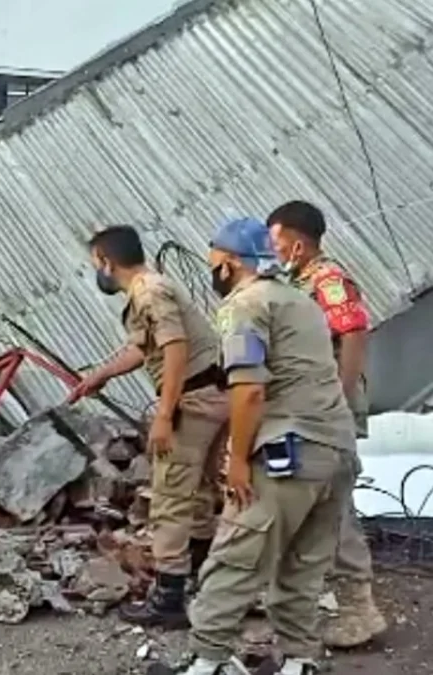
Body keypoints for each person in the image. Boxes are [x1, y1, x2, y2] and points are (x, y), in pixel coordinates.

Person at [181, 217, 357, 675]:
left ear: (231, 264)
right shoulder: (299, 300)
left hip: (289, 453)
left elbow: (250, 390)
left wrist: (236, 460)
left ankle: (209, 662)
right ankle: (299, 662)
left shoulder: (246, 304)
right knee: (303, 566)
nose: (213, 271)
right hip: (336, 450)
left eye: (215, 262)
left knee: (236, 555)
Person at [68, 225, 226, 629]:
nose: (97, 272)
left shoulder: (147, 291)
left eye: (96, 264)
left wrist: (163, 414)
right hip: (213, 396)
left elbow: (175, 348)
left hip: (192, 400)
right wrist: (100, 375)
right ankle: (202, 583)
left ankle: (170, 600)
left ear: (106, 260)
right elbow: (145, 347)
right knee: (200, 491)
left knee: (171, 496)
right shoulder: (154, 286)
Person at [267, 200, 385, 648]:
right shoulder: (296, 281)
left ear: (297, 243)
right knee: (320, 504)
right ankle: (331, 596)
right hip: (309, 408)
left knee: (333, 506)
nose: (274, 251)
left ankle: (359, 607)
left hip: (326, 411)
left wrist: (338, 398)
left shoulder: (327, 279)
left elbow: (353, 332)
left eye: (277, 243)